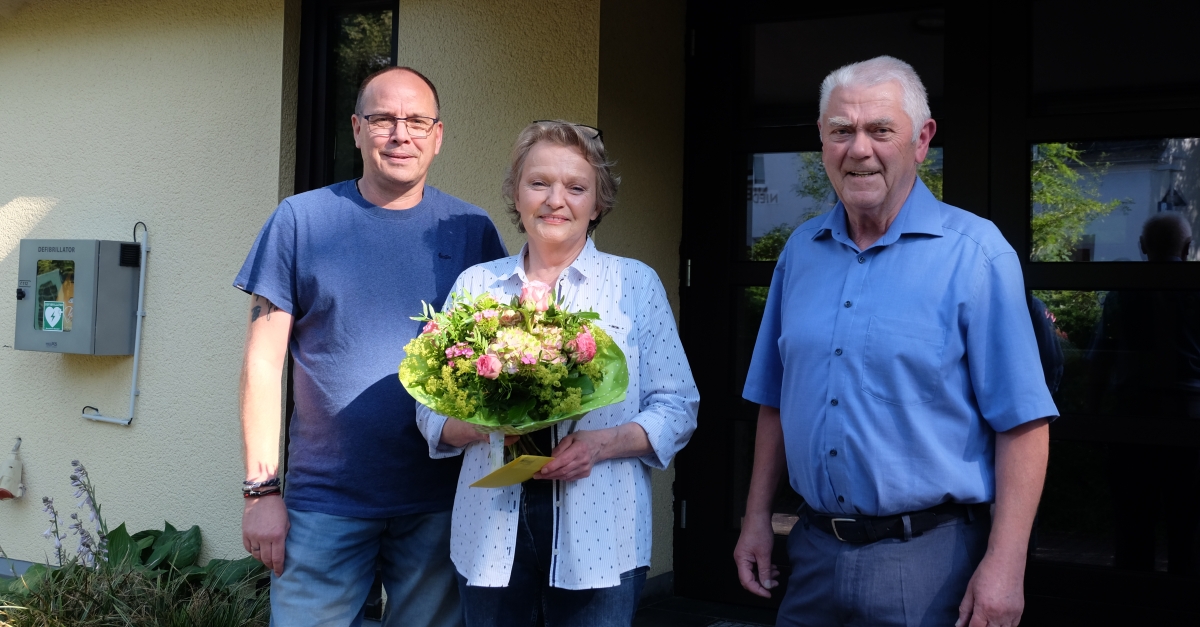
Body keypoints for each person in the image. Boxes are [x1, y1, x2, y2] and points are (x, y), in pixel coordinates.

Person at [733, 56, 1058, 627]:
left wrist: (1006, 565)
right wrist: (756, 516)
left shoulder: (977, 256)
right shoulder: (800, 252)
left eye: (880, 129)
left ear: (921, 140)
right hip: (810, 553)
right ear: (822, 139)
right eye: (841, 131)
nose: (859, 149)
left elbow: (1024, 425)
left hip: (930, 565)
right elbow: (775, 399)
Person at [234, 66, 507, 627]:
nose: (399, 134)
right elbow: (264, 363)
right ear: (357, 129)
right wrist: (261, 491)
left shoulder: (470, 229)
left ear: (438, 135)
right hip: (325, 503)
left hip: (438, 500)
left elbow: (499, 360)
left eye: (416, 121)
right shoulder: (301, 221)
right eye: (383, 119)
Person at [415, 120, 699, 627]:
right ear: (517, 194)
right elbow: (429, 408)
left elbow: (677, 405)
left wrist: (599, 444)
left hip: (602, 534)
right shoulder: (477, 285)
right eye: (539, 183)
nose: (555, 200)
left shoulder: (634, 284)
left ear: (598, 202)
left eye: (576, 187)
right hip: (490, 535)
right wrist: (488, 424)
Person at [1089, 211, 1199, 575]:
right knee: (1188, 527)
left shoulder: (1124, 291)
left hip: (1131, 417)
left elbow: (1100, 360)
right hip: (1189, 418)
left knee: (1133, 525)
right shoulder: (1195, 288)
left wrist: (1090, 415)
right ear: (1188, 247)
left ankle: (1134, 604)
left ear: (1141, 247)